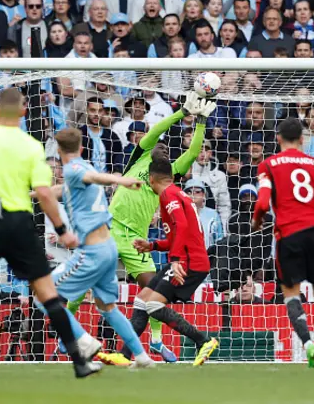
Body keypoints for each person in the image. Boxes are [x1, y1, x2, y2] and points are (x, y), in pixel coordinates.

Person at [0, 88, 101, 379]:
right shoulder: (32, 146)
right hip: (19, 222)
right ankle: (78, 363)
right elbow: (45, 194)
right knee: (47, 292)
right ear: (23, 113)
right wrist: (62, 229)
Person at [79, 92, 215, 364]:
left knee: (149, 294)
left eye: (166, 147)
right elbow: (156, 131)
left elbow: (191, 152)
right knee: (85, 280)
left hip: (137, 238)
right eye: (159, 145)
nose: (162, 146)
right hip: (111, 227)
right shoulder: (140, 157)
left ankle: (158, 341)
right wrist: (181, 113)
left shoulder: (168, 182)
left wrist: (200, 123)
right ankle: (71, 336)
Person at [50, 128, 155, 369]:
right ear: (82, 148)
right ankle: (141, 356)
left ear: (58, 150)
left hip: (92, 251)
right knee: (107, 307)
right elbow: (63, 190)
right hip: (109, 249)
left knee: (42, 295)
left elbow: (97, 179)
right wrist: (33, 194)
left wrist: (122, 180)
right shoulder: (84, 167)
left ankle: (85, 341)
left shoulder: (73, 169)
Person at [110, 158, 219, 366]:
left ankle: (203, 340)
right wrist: (152, 246)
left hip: (189, 262)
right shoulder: (177, 194)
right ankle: (124, 355)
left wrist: (176, 259)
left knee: (152, 304)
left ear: (151, 179)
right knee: (142, 300)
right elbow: (177, 234)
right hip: (186, 259)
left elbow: (182, 224)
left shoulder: (169, 194)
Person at [251, 117, 314, 367]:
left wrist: (257, 223)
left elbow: (261, 203)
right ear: (302, 139)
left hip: (289, 234)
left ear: (278, 138)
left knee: (291, 293)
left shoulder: (268, 165)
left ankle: (309, 345)